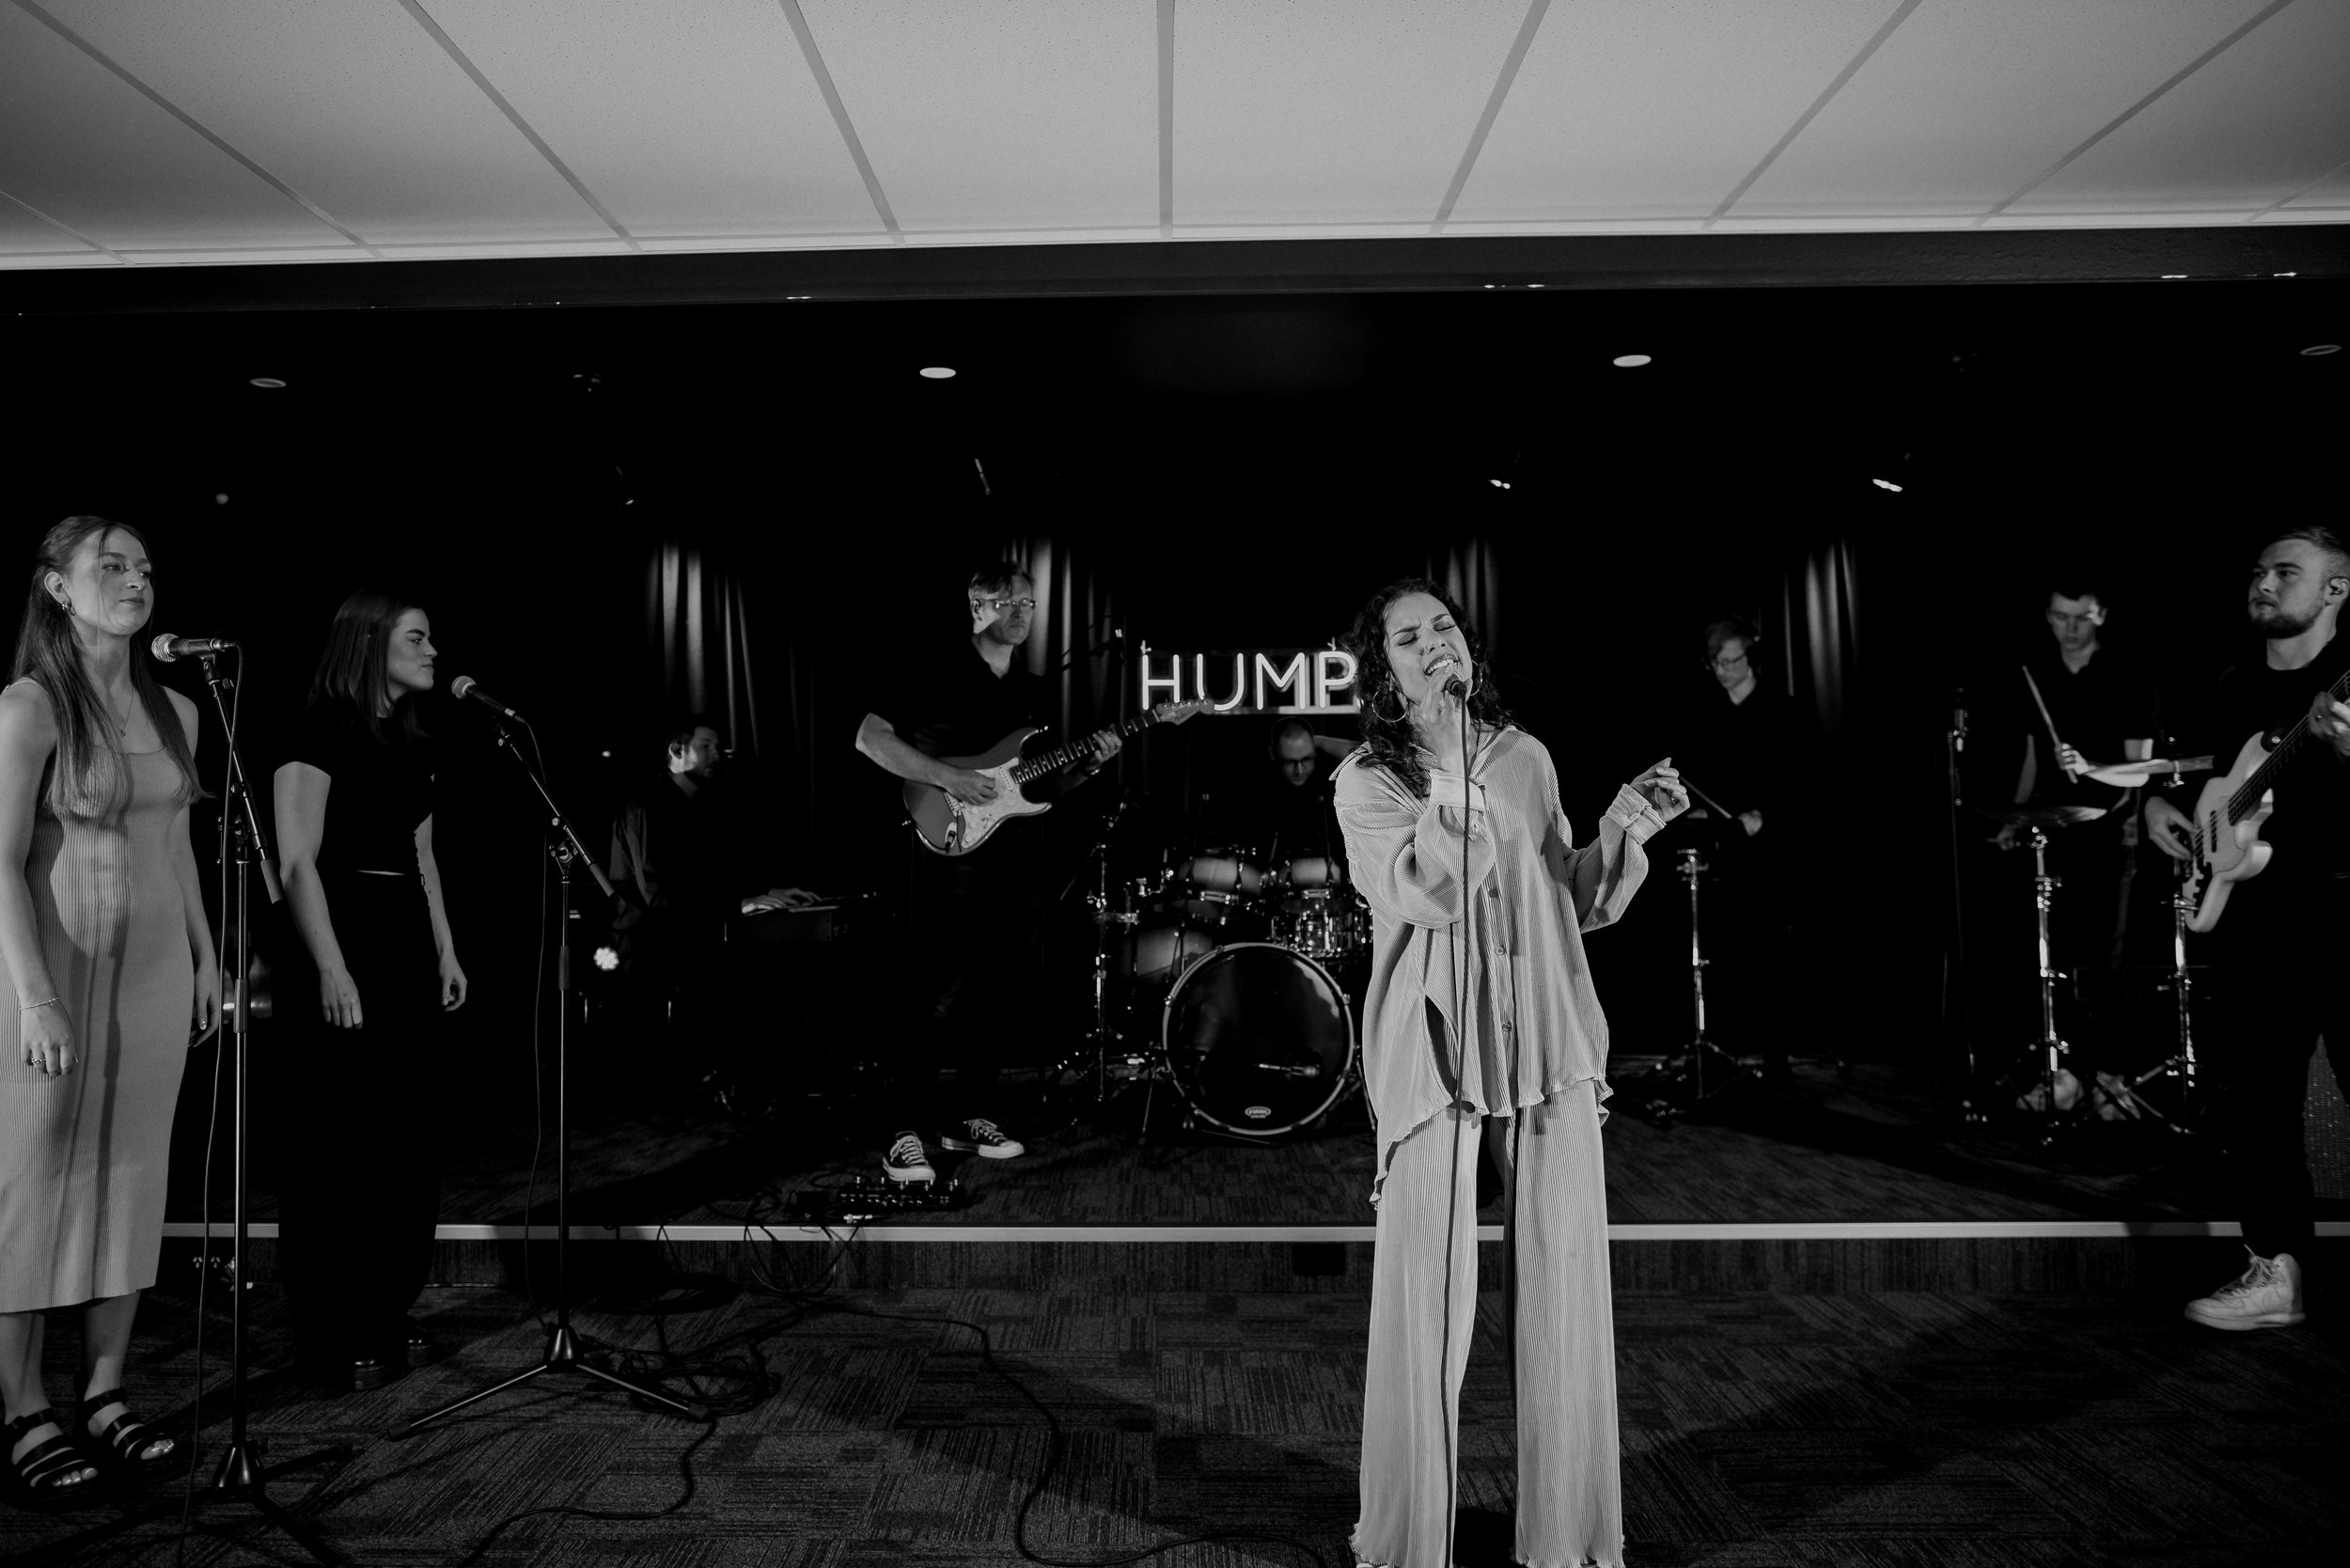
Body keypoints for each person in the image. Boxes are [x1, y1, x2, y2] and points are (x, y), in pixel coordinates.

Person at [1333, 577, 1684, 1568]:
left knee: (1565, 1280)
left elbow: (1560, 896)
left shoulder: (1524, 756)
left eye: (1443, 627)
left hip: (1542, 1032)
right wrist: (1449, 773)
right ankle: (1408, 1546)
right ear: (1385, 669)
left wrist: (1623, 828)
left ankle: (1565, 1541)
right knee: (1422, 1296)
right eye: (1410, 638)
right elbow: (1421, 893)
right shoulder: (1367, 779)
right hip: (1432, 1042)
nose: (1436, 645)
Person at [1, 517, 218, 1494]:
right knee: (33, 1188)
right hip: (50, 978)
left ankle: (105, 1393)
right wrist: (35, 998)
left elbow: (176, 846)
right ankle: (22, 1410)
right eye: (111, 567)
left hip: (156, 981)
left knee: (134, 1181)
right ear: (57, 587)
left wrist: (209, 956)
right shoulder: (31, 705)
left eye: (143, 568)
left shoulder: (179, 708)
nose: (135, 581)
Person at [853, 563, 1119, 1183]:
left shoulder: (1031, 690)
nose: (1025, 613)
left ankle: (968, 1118)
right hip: (944, 847)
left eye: (1030, 602)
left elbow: (1043, 783)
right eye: (1013, 602)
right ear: (979, 605)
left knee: (999, 988)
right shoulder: (932, 669)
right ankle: (904, 1131)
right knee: (938, 990)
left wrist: (1090, 767)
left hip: (1013, 856)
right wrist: (948, 778)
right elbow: (870, 738)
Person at [2146, 526, 2350, 1330]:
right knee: (2259, 1101)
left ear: (2334, 590)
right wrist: (2158, 808)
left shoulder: (2341, 686)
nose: (2264, 582)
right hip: (2257, 917)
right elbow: (2196, 781)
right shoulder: (2232, 683)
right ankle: (2276, 1269)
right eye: (2261, 570)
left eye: (2287, 572)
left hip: (2343, 905)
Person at [273, 589, 468, 1391]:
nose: (432, 652)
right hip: (339, 936)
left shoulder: (413, 740)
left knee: (403, 1140)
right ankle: (329, 1322)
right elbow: (294, 863)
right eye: (416, 638)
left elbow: (424, 859)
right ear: (368, 643)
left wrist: (447, 952)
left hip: (402, 942)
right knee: (338, 1145)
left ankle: (388, 1303)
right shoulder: (317, 728)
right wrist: (330, 965)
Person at [606, 715, 815, 1105]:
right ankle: (739, 1082)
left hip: (690, 932)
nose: (716, 755)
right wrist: (736, 905)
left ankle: (760, 1081)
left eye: (716, 747)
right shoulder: (645, 808)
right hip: (650, 942)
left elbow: (715, 880)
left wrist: (766, 891)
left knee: (773, 961)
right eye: (707, 747)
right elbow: (658, 898)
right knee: (745, 972)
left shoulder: (701, 807)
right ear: (677, 751)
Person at [2005, 583, 2158, 1107]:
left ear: (2101, 615)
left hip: (2113, 831)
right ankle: (2064, 1075)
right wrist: (2016, 816)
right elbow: (2031, 757)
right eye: (2060, 617)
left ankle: (2112, 1080)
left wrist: (2093, 770)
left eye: (2081, 618)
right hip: (2056, 830)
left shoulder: (2127, 674)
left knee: (2105, 962)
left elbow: (2142, 768)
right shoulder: (2037, 674)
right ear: (2047, 617)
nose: (2070, 629)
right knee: (2054, 956)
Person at [1676, 616, 1801, 1058]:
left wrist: (1764, 814)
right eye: (1718, 663)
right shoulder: (1707, 715)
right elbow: (1701, 778)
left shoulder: (1782, 710)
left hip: (1770, 848)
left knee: (1769, 950)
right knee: (1723, 948)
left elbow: (1799, 782)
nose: (1726, 670)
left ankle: (1776, 1052)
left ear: (1751, 660)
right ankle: (1726, 1048)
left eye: (1733, 661)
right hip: (1723, 846)